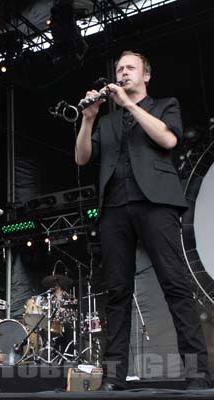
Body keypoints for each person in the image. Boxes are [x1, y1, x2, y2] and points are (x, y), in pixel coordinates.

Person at [75, 51, 210, 390]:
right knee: (118, 293)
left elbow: (168, 139)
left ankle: (197, 374)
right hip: (114, 208)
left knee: (176, 287)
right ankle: (113, 377)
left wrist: (129, 105)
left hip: (156, 204)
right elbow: (82, 158)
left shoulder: (165, 105)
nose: (123, 73)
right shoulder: (105, 122)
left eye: (130, 68)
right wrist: (89, 118)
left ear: (146, 75)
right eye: (119, 69)